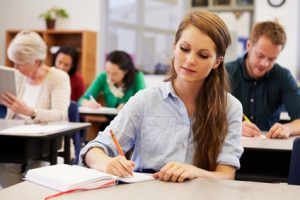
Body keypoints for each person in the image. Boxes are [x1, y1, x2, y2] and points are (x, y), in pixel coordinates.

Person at [80, 10, 243, 182]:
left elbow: (226, 175)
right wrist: (107, 163)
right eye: (184, 49)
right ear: (174, 47)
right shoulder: (146, 99)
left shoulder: (230, 107)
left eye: (203, 55)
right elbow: (93, 150)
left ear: (217, 61)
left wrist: (195, 171)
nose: (189, 60)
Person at [0, 30, 70, 188]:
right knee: (5, 166)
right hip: (16, 142)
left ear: (37, 62)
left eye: (20, 63)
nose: (15, 67)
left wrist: (30, 112)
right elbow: (10, 113)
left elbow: (59, 115)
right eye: (14, 62)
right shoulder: (18, 75)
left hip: (47, 145)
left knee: (37, 175)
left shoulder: (58, 78)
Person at [226, 21, 300, 139]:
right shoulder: (225, 73)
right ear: (248, 46)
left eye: (272, 59)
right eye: (260, 55)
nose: (264, 64)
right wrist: (232, 127)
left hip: (268, 150)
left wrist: (288, 128)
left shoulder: (283, 76)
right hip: (230, 146)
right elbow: (204, 117)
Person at [78, 50, 145, 109]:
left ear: (125, 71)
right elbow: (82, 100)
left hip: (130, 120)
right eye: (108, 72)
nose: (110, 77)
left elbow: (143, 102)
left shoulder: (137, 76)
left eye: (115, 73)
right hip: (110, 120)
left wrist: (128, 106)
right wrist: (88, 103)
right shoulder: (103, 77)